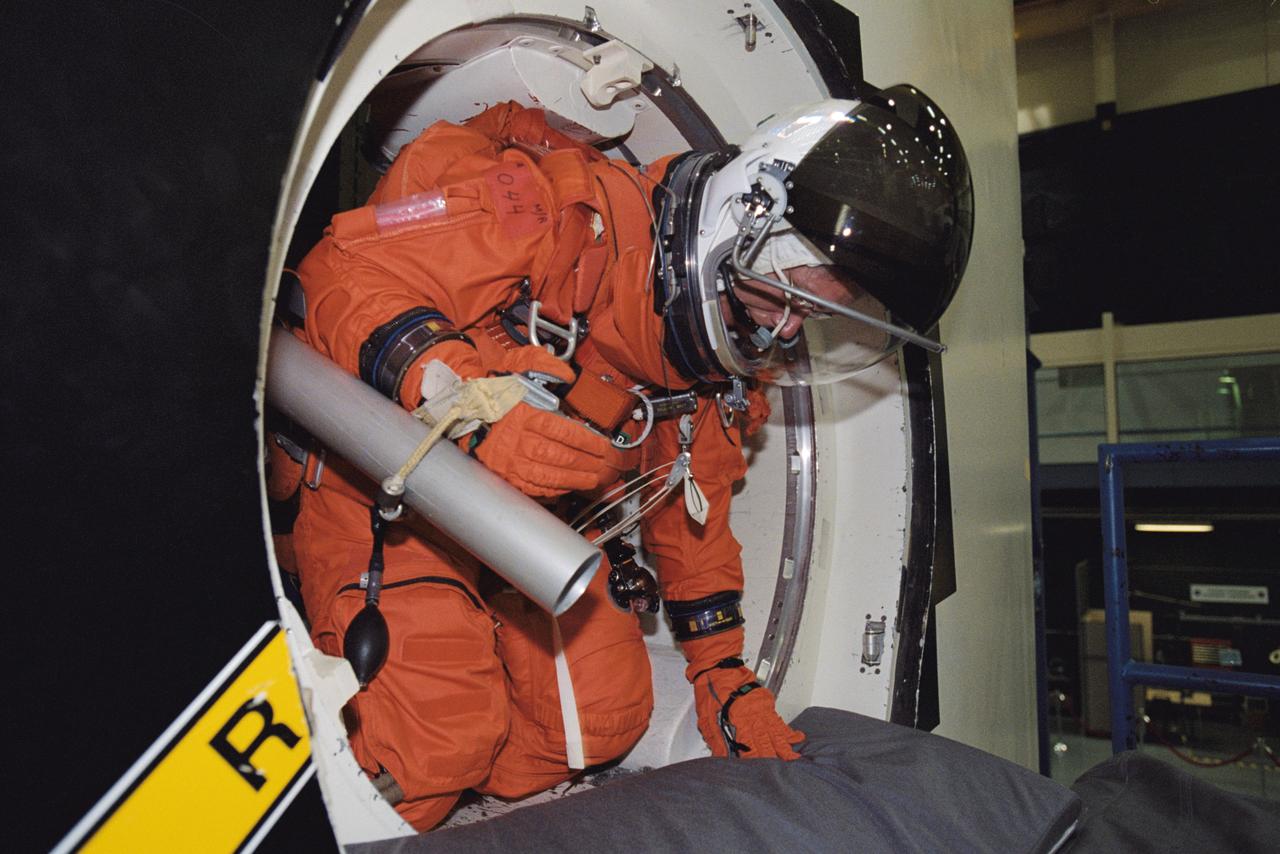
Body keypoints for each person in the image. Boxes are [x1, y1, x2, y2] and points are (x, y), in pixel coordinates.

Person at [275, 90, 973, 831]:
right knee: (439, 743)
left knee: (603, 720)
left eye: (813, 317)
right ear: (748, 217)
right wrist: (466, 402)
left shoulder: (716, 360)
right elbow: (337, 276)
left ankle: (446, 787)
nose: (787, 328)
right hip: (393, 480)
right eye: (788, 296)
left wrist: (720, 668)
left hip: (525, 527)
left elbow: (693, 512)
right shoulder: (545, 214)